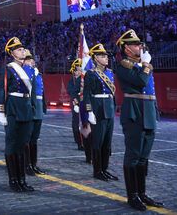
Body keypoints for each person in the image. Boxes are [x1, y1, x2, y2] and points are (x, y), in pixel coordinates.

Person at [114, 29, 164, 210]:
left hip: (149, 112)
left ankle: (142, 193)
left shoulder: (142, 64)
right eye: (136, 44)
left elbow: (151, 89)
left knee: (144, 157)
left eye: (140, 44)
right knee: (133, 156)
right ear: (127, 48)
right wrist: (146, 65)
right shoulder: (123, 66)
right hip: (135, 113)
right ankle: (132, 196)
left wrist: (145, 64)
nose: (140, 46)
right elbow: (141, 82)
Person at [0, 37, 35, 192]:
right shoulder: (8, 69)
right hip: (13, 109)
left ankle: (22, 180)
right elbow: (2, 90)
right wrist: (1, 112)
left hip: (26, 109)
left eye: (22, 49)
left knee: (22, 145)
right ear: (12, 53)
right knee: (12, 145)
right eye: (18, 49)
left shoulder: (27, 69)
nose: (22, 51)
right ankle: (13, 180)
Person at [83, 43, 118, 182]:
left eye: (106, 56)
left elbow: (112, 93)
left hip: (109, 109)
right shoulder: (91, 74)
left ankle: (105, 169)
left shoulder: (109, 73)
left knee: (107, 142)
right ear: (96, 58)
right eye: (103, 56)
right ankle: (97, 171)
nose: (106, 58)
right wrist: (89, 111)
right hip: (98, 109)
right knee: (98, 141)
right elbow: (86, 95)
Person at [23, 50, 46, 176]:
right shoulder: (26, 70)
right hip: (30, 107)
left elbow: (42, 92)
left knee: (34, 138)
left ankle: (33, 164)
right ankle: (27, 165)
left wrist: (43, 107)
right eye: (28, 58)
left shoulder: (36, 72)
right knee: (28, 137)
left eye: (31, 58)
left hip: (38, 106)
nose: (31, 60)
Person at [67, 59, 84, 151]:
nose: (79, 72)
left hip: (83, 102)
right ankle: (78, 140)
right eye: (77, 70)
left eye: (80, 70)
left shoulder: (83, 79)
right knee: (76, 121)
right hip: (75, 102)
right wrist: (76, 103)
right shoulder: (72, 80)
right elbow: (70, 91)